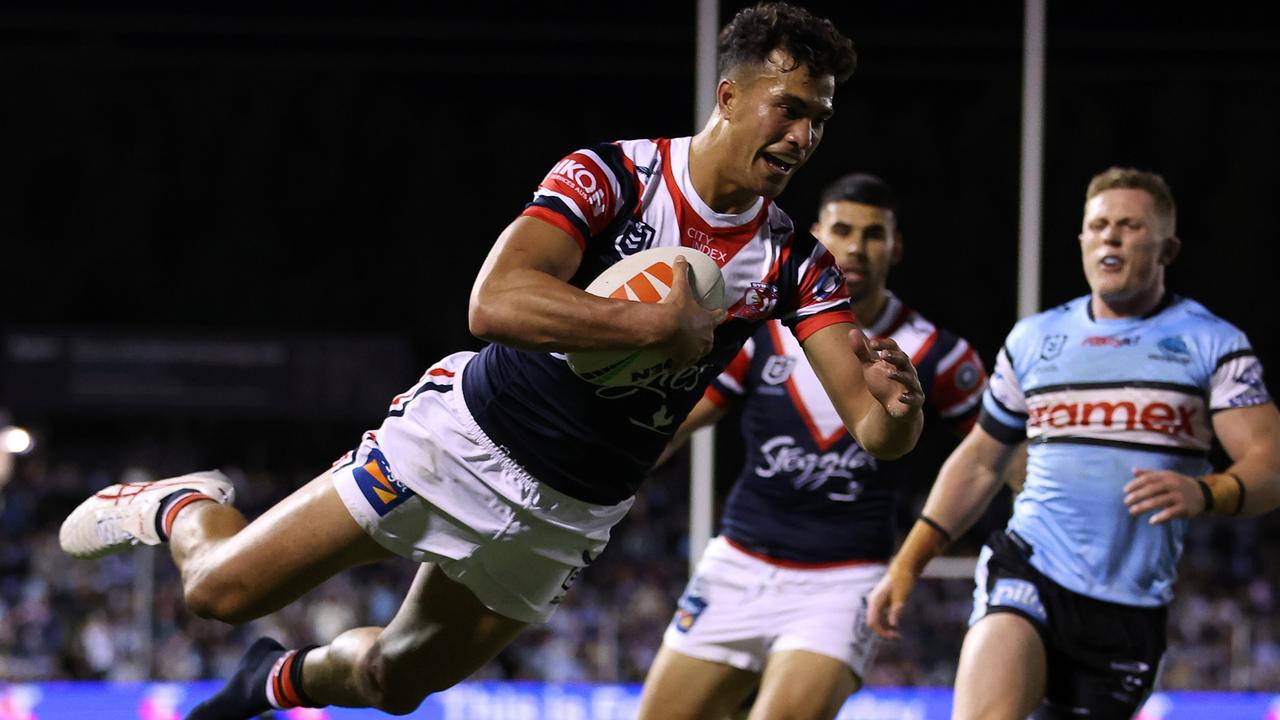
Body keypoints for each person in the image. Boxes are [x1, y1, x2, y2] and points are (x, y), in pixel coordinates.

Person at [58, 4, 924, 718]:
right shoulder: (616, 176)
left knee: (395, 685)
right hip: (462, 444)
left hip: (571, 514)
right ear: (730, 96)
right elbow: (495, 303)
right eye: (790, 107)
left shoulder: (792, 262)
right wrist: (650, 327)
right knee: (219, 592)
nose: (806, 136)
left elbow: (876, 432)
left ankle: (268, 681)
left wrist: (901, 406)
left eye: (820, 119)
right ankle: (180, 505)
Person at [867, 167, 1280, 720]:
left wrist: (1209, 492)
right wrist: (907, 564)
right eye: (1099, 225)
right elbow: (981, 462)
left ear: (1168, 248)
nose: (1110, 237)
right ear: (1083, 240)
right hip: (1030, 568)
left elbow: (1269, 465)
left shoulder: (1213, 345)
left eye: (1130, 226)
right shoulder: (1035, 340)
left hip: (1128, 612)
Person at [635, 172, 987, 720]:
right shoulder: (764, 334)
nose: (855, 247)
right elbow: (671, 425)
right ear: (819, 233)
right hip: (737, 567)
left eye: (874, 235)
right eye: (842, 230)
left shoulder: (940, 354)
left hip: (842, 583)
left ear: (896, 247)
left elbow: (995, 457)